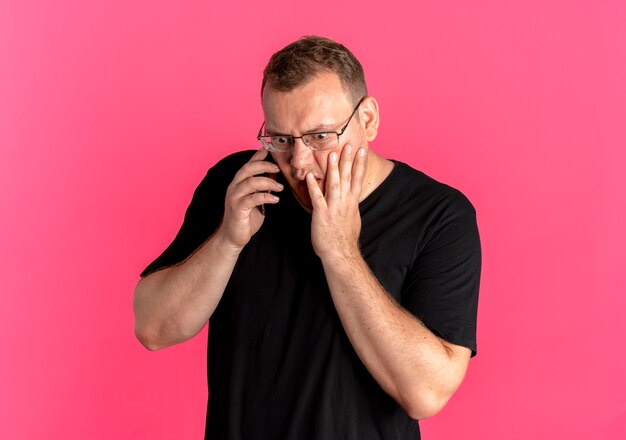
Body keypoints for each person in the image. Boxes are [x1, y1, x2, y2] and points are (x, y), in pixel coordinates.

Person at [133, 36, 481, 440]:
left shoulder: (438, 214)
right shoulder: (239, 185)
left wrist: (340, 251)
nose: (297, 162)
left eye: (320, 137)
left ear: (367, 120)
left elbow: (426, 393)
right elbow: (153, 328)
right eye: (280, 139)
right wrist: (227, 242)